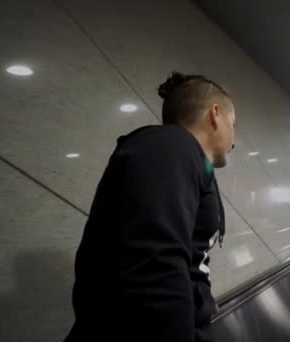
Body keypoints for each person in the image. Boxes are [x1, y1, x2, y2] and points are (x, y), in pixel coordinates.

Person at [65, 72, 236, 342]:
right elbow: (155, 262)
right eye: (233, 124)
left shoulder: (187, 158)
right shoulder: (171, 146)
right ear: (215, 114)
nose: (234, 141)